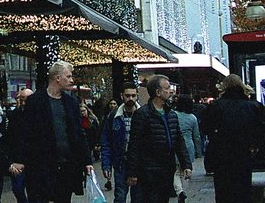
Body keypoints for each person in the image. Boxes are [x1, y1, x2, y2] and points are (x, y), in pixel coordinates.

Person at [9, 61, 92, 203]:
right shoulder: (35, 101)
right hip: (41, 166)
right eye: (69, 76)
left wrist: (87, 161)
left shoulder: (71, 103)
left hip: (66, 166)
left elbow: (79, 133)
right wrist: (19, 159)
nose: (71, 80)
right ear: (58, 78)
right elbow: (25, 132)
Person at [124, 74, 191, 203]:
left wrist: (185, 164)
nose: (170, 91)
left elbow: (178, 140)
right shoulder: (143, 114)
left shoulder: (171, 114)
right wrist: (132, 172)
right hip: (148, 170)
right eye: (167, 88)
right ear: (158, 92)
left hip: (167, 169)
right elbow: (134, 144)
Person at [202, 74, 265, 203]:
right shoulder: (253, 106)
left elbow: (205, 128)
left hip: (222, 157)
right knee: (243, 191)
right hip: (244, 155)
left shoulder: (216, 106)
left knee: (224, 191)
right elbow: (260, 130)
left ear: (224, 87)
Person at [100, 84, 139, 203]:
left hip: (139, 163)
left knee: (138, 197)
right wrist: (106, 165)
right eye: (127, 95)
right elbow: (106, 141)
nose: (130, 98)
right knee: (120, 197)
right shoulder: (113, 116)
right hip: (120, 162)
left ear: (137, 96)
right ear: (122, 96)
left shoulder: (143, 114)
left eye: (133, 95)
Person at [3, 89, 32, 203]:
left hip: (34, 162)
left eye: (25, 99)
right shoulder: (14, 116)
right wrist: (12, 162)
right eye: (21, 99)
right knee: (17, 189)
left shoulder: (39, 115)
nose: (23, 102)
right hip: (17, 161)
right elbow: (10, 140)